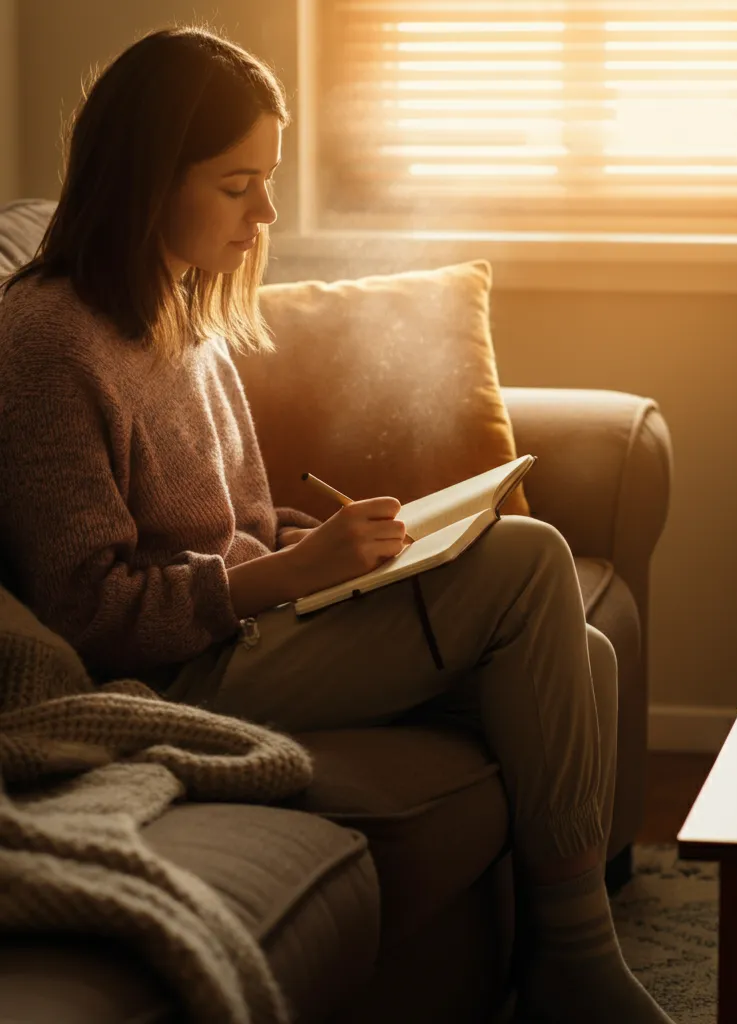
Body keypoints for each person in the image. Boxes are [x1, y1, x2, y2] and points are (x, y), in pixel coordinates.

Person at [0, 26, 675, 1024]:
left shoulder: (183, 315)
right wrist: (283, 575)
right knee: (531, 558)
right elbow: (90, 613)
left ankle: (554, 948)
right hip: (174, 674)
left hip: (251, 627)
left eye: (265, 180)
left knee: (584, 660)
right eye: (238, 185)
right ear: (149, 176)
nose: (265, 212)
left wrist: (331, 548)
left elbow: (239, 521)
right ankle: (574, 963)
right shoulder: (49, 341)